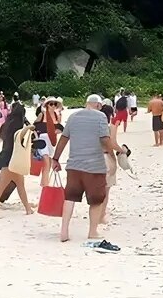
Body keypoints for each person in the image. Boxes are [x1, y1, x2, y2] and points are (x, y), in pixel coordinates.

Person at [52, 95, 123, 250]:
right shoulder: (100, 117)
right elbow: (105, 140)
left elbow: (63, 139)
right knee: (96, 200)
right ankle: (92, 231)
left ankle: (64, 231)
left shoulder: (73, 116)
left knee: (70, 197)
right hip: (94, 166)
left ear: (86, 104)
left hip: (74, 165)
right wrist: (113, 154)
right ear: (98, 105)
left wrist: (55, 158)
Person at [0, 105, 34, 220]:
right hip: (14, 160)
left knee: (20, 185)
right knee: (0, 188)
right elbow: (23, 139)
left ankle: (28, 209)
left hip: (6, 158)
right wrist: (30, 127)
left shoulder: (5, 125)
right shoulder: (19, 127)